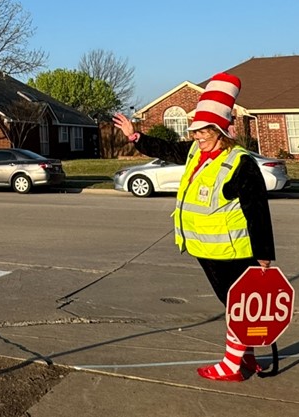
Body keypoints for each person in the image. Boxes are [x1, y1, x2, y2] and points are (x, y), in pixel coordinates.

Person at [112, 72, 275, 382]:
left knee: (236, 307)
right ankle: (247, 357)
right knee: (236, 306)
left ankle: (232, 365)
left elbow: (258, 210)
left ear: (220, 131)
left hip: (231, 251)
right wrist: (136, 136)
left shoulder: (239, 162)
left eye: (202, 131)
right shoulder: (196, 152)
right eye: (196, 131)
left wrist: (264, 255)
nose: (196, 135)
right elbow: (167, 149)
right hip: (205, 248)